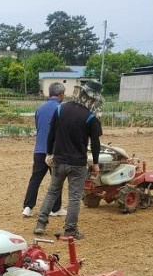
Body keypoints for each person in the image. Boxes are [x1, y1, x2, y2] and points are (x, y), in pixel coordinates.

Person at [34, 80, 103, 241]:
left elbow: (51, 134)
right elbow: (95, 143)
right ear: (92, 98)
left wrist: (49, 153)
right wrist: (96, 163)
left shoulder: (60, 109)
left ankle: (41, 224)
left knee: (52, 192)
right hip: (77, 164)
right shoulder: (91, 117)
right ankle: (70, 230)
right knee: (74, 197)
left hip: (58, 160)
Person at [22, 82, 66, 218]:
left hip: (39, 150)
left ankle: (28, 207)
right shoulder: (61, 109)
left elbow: (39, 128)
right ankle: (55, 209)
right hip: (55, 151)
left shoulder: (39, 109)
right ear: (61, 94)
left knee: (35, 178)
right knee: (57, 180)